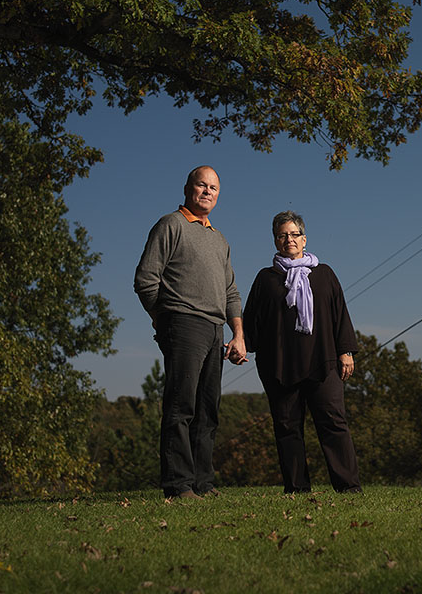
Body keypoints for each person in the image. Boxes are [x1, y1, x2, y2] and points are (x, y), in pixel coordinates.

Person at [134, 165, 247, 500]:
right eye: (202, 185)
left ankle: (202, 483)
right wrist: (162, 319)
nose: (207, 191)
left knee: (207, 409)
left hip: (215, 329)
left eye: (213, 188)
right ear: (188, 188)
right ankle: (178, 485)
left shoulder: (219, 239)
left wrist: (238, 335)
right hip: (183, 323)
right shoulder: (171, 225)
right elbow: (146, 280)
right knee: (181, 406)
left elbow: (231, 292)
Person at [243, 210, 361, 494]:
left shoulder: (324, 274)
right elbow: (252, 321)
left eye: (294, 234)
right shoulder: (265, 279)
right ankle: (296, 488)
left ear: (304, 239)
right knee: (287, 427)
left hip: (323, 361)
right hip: (280, 365)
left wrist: (346, 351)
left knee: (333, 423)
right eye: (282, 235)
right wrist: (242, 345)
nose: (289, 240)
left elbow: (339, 313)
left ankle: (348, 486)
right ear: (275, 241)